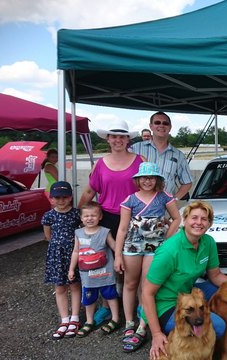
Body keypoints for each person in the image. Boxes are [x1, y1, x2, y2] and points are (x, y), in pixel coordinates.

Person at [141, 200, 227, 360]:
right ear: (185, 220)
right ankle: (157, 325)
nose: (199, 223)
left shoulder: (208, 242)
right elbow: (147, 293)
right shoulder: (170, 251)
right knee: (218, 327)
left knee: (226, 293)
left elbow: (215, 276)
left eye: (204, 219)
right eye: (194, 218)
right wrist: (156, 334)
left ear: (209, 223)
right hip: (165, 303)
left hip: (189, 295)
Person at [79, 119, 143, 324]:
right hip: (107, 218)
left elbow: (151, 189)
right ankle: (108, 306)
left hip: (134, 219)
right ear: (108, 138)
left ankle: (140, 308)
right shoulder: (100, 163)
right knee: (106, 264)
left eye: (122, 136)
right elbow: (90, 191)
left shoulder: (140, 160)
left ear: (127, 139)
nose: (118, 140)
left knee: (133, 264)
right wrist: (77, 214)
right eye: (114, 136)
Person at [114, 162, 181, 352]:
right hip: (133, 245)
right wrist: (118, 254)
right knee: (130, 283)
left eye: (151, 177)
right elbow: (122, 228)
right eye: (144, 177)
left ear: (157, 179)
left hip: (155, 247)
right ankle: (129, 322)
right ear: (138, 180)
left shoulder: (164, 197)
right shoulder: (130, 200)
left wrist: (166, 240)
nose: (147, 181)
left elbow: (177, 218)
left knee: (147, 285)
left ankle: (142, 327)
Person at [68, 201, 121, 337]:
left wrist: (121, 258)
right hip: (87, 276)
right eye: (86, 216)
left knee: (110, 295)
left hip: (105, 273)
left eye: (93, 215)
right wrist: (71, 269)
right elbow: (75, 251)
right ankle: (89, 321)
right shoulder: (78, 233)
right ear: (81, 218)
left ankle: (115, 318)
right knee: (89, 298)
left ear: (100, 217)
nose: (89, 218)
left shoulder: (105, 232)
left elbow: (115, 246)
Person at [42, 181, 82, 339]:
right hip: (57, 255)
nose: (61, 200)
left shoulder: (77, 214)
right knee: (60, 287)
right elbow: (47, 236)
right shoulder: (48, 216)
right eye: (57, 197)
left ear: (71, 197)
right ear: (51, 199)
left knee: (75, 285)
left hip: (74, 254)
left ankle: (75, 317)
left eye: (65, 197)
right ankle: (64, 319)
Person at [131, 112, 193, 202]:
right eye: (157, 122)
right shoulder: (135, 149)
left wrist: (173, 201)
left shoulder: (179, 155)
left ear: (170, 127)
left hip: (164, 211)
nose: (161, 125)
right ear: (151, 126)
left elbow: (187, 182)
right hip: (138, 208)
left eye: (165, 123)